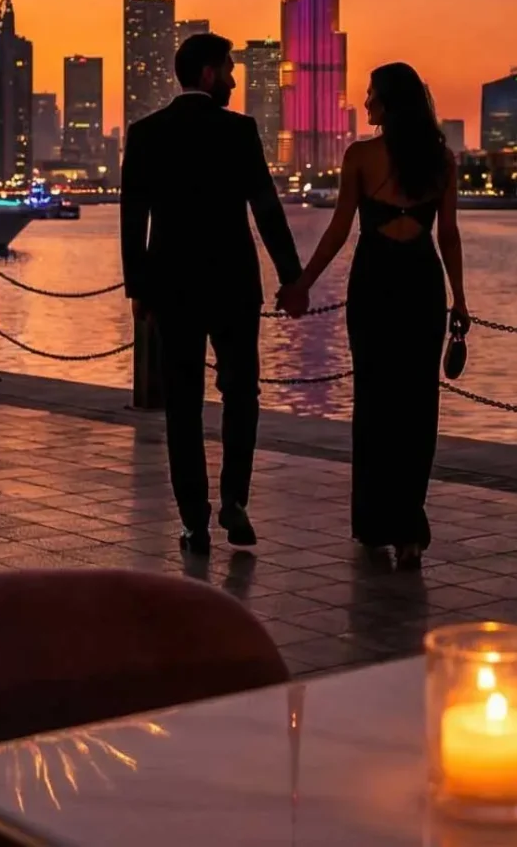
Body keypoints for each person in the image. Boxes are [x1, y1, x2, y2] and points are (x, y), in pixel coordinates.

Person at [120, 32, 304, 553]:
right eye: (227, 68)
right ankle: (235, 501)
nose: (233, 77)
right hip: (232, 285)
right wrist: (291, 277)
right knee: (241, 394)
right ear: (206, 73)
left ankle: (194, 521)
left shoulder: (147, 133)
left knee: (182, 405)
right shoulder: (239, 131)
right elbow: (266, 210)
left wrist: (138, 288)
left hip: (171, 287)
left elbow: (133, 218)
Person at [280, 63, 467, 568]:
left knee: (376, 402)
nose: (365, 104)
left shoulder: (361, 156)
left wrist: (302, 283)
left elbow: (340, 230)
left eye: (370, 96)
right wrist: (460, 300)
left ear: (388, 102)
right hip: (422, 282)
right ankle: (409, 526)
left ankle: (375, 522)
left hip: (376, 281)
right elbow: (446, 234)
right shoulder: (441, 158)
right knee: (418, 406)